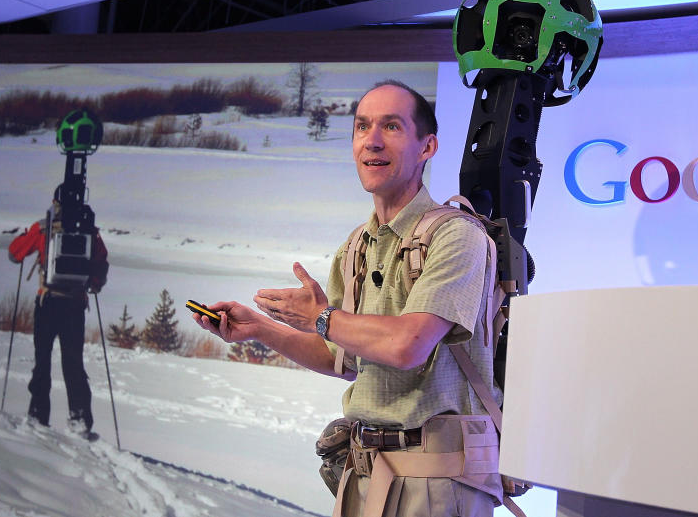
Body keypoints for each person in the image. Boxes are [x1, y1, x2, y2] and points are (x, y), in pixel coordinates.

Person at [194, 81, 503, 517]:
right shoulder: (357, 246)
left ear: (427, 146)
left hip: (437, 478)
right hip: (363, 473)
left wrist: (322, 316)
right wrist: (261, 329)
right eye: (362, 127)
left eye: (392, 126)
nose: (372, 140)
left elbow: (407, 345)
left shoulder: (457, 235)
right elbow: (341, 357)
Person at [8, 187, 108, 436]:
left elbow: (14, 253)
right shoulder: (90, 231)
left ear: (55, 201)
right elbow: (101, 264)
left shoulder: (44, 227)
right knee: (73, 363)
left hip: (48, 302)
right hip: (75, 305)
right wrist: (94, 283)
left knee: (42, 360)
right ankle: (80, 420)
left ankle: (38, 415)